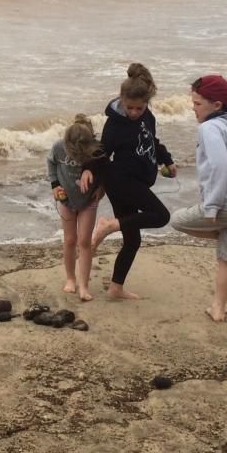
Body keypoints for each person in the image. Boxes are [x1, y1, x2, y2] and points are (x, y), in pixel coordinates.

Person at [170, 75, 227, 322]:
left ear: (217, 105)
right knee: (226, 258)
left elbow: (220, 167)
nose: (193, 108)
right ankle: (218, 309)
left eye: (198, 103)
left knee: (177, 220)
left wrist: (212, 207)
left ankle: (221, 234)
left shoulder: (209, 128)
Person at [80, 63, 175, 300]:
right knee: (161, 216)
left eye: (138, 108)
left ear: (146, 102)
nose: (133, 112)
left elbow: (152, 141)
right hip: (120, 179)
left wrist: (166, 161)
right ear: (122, 100)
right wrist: (87, 169)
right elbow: (102, 150)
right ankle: (109, 225)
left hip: (135, 180)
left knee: (132, 240)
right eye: (129, 107)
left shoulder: (147, 117)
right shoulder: (115, 124)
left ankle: (116, 287)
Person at [47, 114, 106, 301]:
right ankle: (71, 279)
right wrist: (55, 185)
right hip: (66, 200)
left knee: (84, 242)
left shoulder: (96, 150)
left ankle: (84, 286)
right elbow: (51, 162)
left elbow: (106, 168)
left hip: (89, 200)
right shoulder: (59, 147)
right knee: (70, 240)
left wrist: (102, 187)